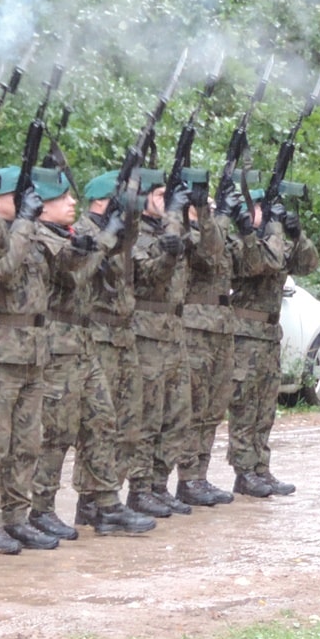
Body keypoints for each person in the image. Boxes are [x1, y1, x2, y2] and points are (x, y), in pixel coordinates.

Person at [31, 169, 142, 539]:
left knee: (102, 421)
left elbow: (114, 254)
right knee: (57, 431)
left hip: (82, 342)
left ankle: (105, 502)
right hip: (57, 344)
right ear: (42, 206)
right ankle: (40, 508)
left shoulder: (69, 234)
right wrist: (107, 234)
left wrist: (123, 222)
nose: (71, 203)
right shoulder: (41, 236)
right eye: (62, 198)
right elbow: (76, 273)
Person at [0, 167, 62, 554]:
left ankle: (16, 517)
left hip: (33, 353)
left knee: (27, 444)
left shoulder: (33, 233)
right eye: (18, 196)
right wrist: (25, 221)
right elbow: (4, 270)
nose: (28, 202)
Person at [75, 172, 159, 535]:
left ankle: (108, 498)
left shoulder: (122, 234)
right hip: (97, 334)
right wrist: (111, 229)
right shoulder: (83, 232)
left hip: (124, 335)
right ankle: (93, 501)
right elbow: (85, 271)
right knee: (98, 423)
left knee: (128, 423)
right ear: (101, 200)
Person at [228, 186, 318, 496]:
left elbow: (307, 264)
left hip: (268, 335)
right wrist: (275, 230)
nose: (266, 216)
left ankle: (260, 468)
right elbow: (263, 263)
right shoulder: (239, 243)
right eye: (260, 210)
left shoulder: (274, 242)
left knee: (266, 406)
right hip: (244, 334)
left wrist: (298, 235)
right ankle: (243, 471)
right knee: (245, 405)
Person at [130, 170, 194, 519]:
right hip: (147, 333)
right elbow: (151, 275)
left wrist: (182, 217)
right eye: (159, 195)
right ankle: (139, 488)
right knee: (148, 415)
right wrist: (172, 220)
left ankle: (159, 483)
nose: (166, 202)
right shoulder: (134, 233)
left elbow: (208, 252)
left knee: (177, 413)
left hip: (173, 331)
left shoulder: (174, 230)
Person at [176, 170, 240, 507]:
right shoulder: (183, 232)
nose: (209, 210)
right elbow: (209, 254)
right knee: (195, 405)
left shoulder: (211, 228)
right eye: (203, 205)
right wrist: (213, 216)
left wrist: (219, 216)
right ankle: (187, 477)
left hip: (220, 326)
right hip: (195, 326)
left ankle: (199, 475)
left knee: (214, 406)